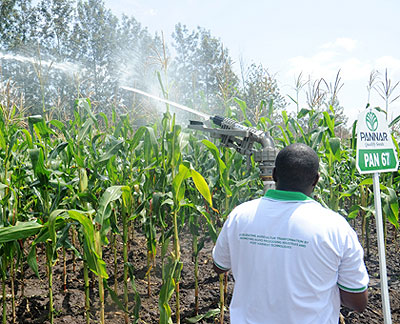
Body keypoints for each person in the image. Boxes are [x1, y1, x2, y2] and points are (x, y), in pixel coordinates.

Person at [212, 143, 368, 324]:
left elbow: (219, 266)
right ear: (316, 180)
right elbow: (357, 301)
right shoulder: (336, 228)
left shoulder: (240, 216)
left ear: (274, 174)